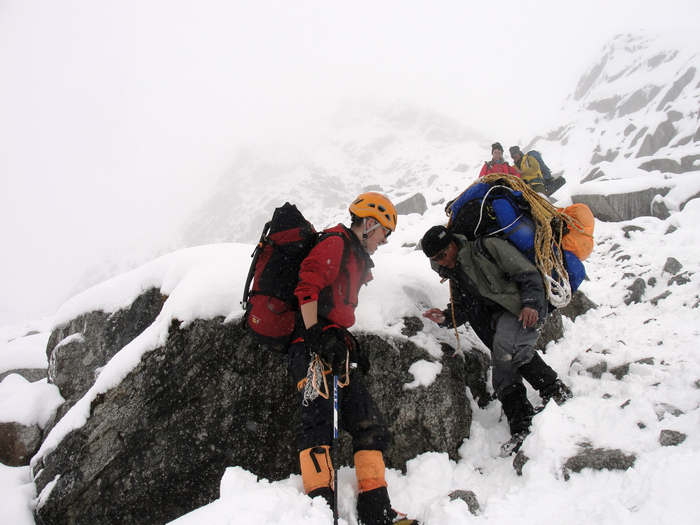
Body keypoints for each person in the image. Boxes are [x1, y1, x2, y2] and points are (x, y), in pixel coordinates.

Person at [289, 192, 418, 525]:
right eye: (384, 232)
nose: (384, 240)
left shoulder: (356, 255)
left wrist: (345, 342)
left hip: (335, 348)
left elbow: (337, 306)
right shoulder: (336, 243)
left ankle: (376, 513)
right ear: (369, 223)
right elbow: (307, 286)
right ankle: (320, 514)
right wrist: (316, 334)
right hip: (311, 347)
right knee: (319, 427)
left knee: (370, 425)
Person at [420, 225, 572, 455]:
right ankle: (522, 423)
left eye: (442, 255)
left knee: (508, 348)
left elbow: (528, 273)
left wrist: (531, 303)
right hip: (497, 322)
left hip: (521, 307)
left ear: (453, 244)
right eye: (435, 259)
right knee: (501, 368)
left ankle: (554, 389)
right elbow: (464, 307)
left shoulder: (487, 248)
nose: (441, 262)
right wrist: (445, 317)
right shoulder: (454, 271)